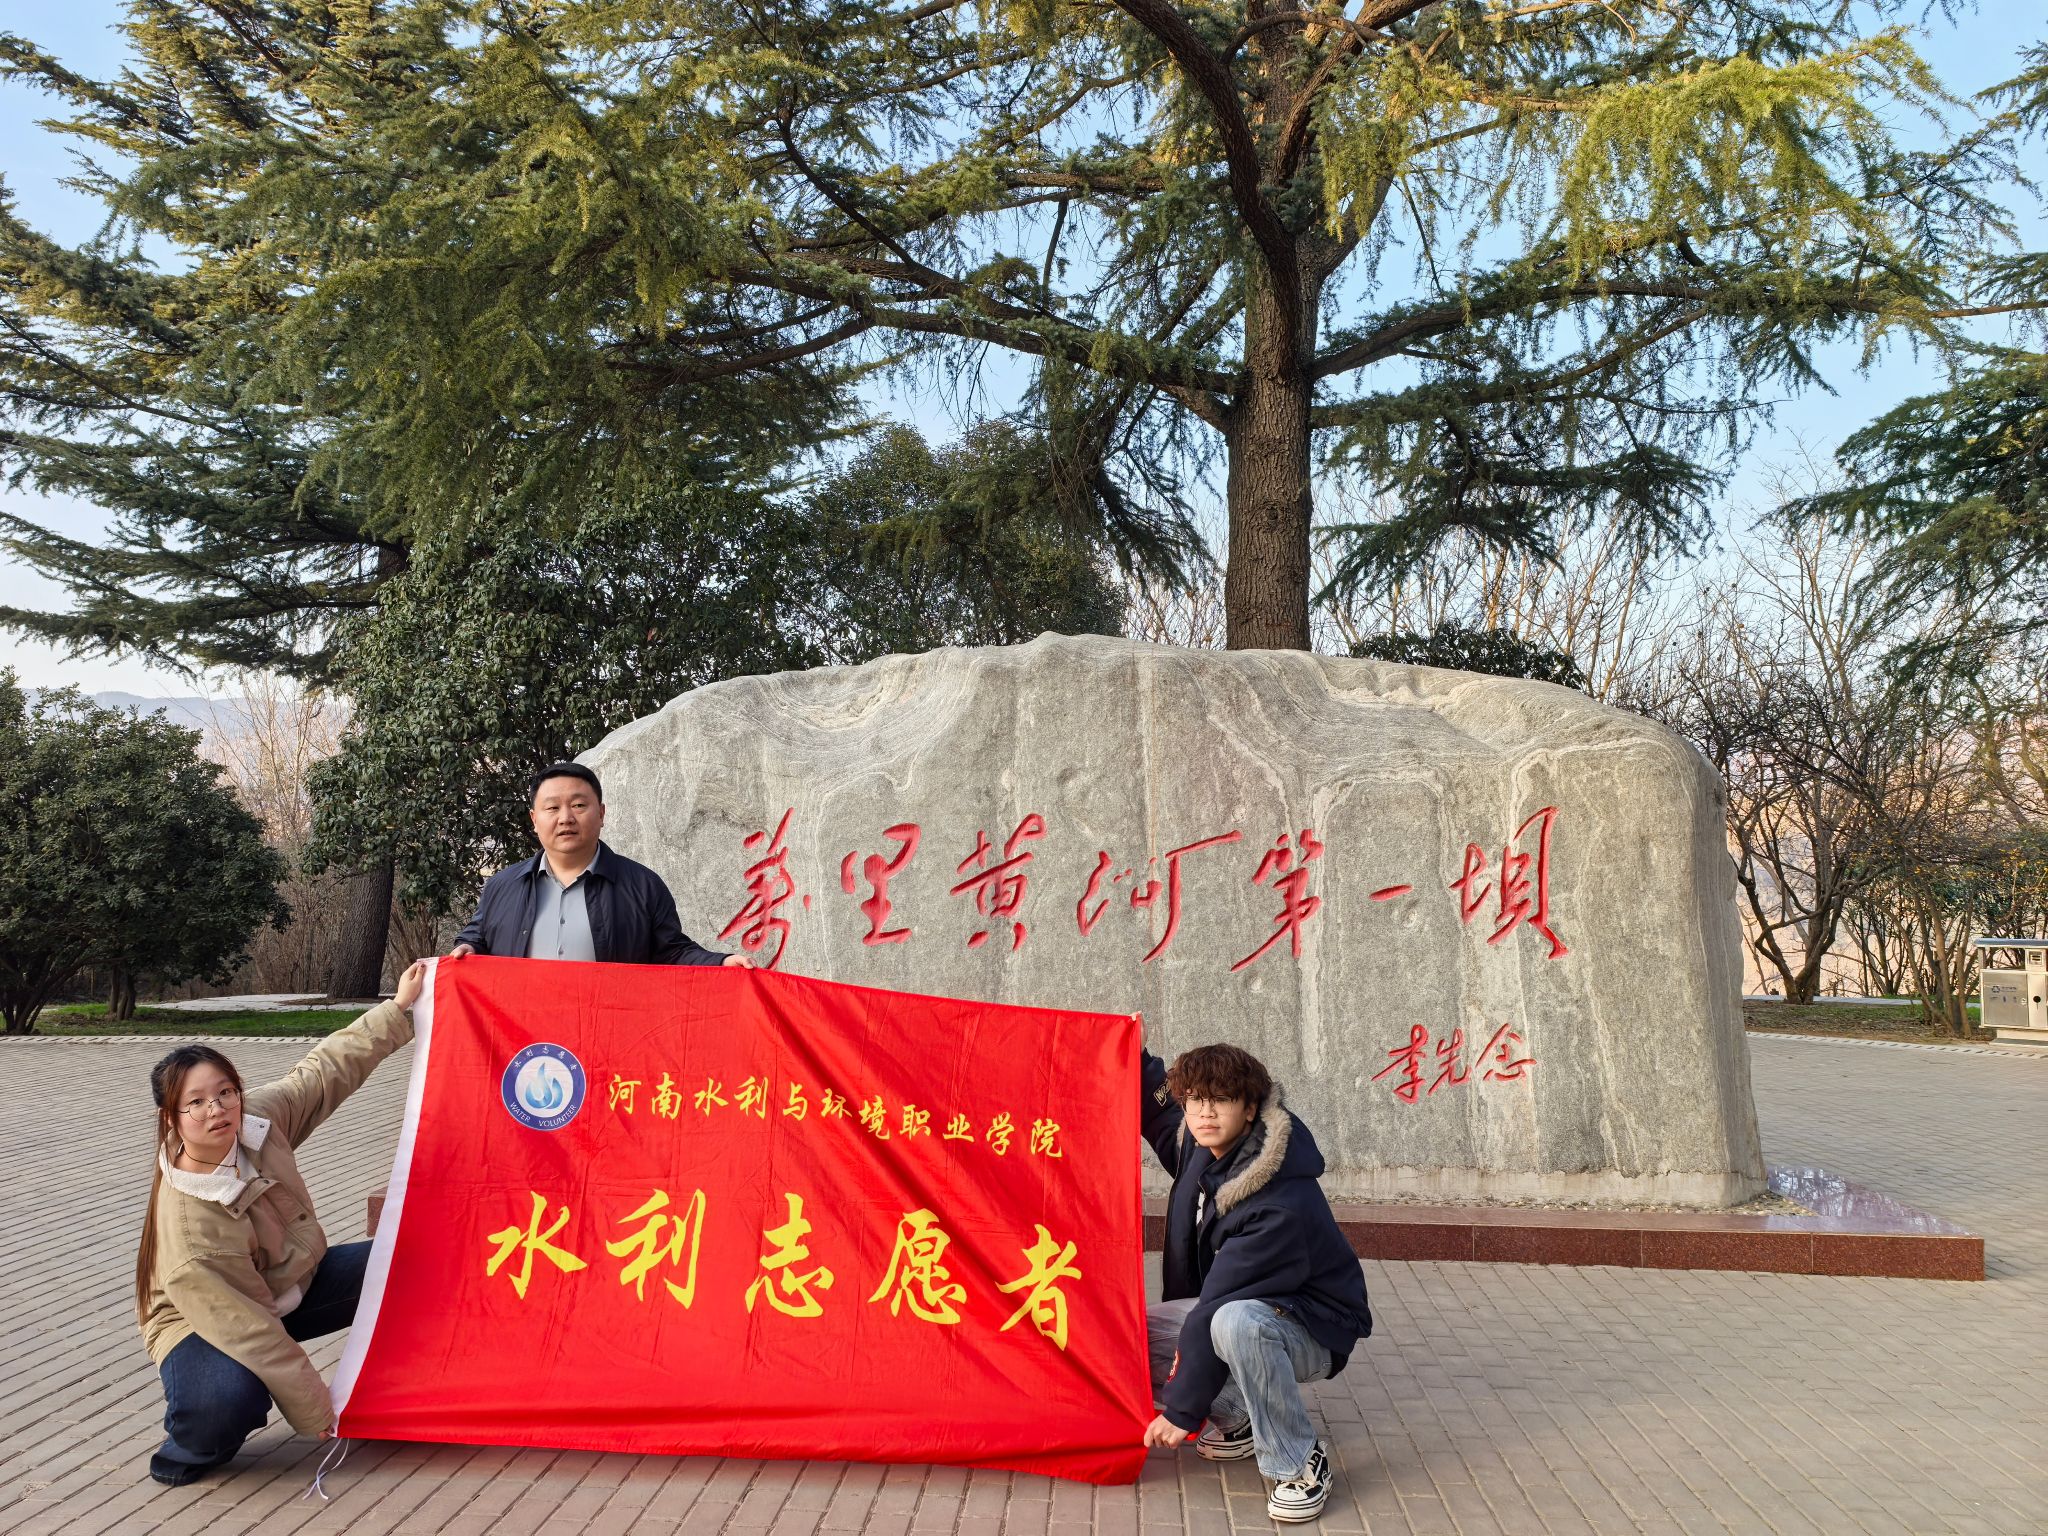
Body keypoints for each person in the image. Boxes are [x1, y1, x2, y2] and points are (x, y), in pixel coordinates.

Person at [136, 959, 429, 1486]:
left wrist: (399, 1007)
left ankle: (411, 1391)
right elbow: (249, 1330)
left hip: (289, 1287)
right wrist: (318, 1411)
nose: (216, 1109)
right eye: (195, 1103)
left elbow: (322, 1072)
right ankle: (187, 1450)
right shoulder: (188, 1224)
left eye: (225, 1092)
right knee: (230, 1398)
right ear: (171, 1118)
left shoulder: (256, 1123)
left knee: (413, 1261)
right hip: (206, 1322)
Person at [1138, 1041, 1373, 1522]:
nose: (1205, 1112)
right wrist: (1131, 1055)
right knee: (1133, 1334)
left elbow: (1214, 1309)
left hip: (1314, 1326)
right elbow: (1160, 1113)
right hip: (1243, 1305)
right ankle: (1240, 1417)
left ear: (1249, 1108)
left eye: (1220, 1100)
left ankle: (1298, 1462)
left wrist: (1182, 1411)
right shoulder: (1202, 1143)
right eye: (1195, 1099)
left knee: (1237, 1323)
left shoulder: (1277, 1196)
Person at [449, 761, 750, 968]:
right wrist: (467, 948)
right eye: (552, 807)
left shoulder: (641, 885)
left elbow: (671, 951)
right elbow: (478, 938)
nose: (566, 818)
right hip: (524, 1037)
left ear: (601, 813)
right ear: (534, 819)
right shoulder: (503, 885)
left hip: (608, 1034)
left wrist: (720, 962)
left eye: (579, 805)